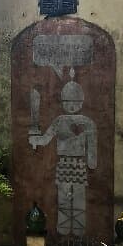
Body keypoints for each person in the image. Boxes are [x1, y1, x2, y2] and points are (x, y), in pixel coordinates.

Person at [29, 74, 97, 237]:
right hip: (65, 164)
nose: (72, 106)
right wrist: (35, 138)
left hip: (78, 164)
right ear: (63, 102)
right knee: (64, 197)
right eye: (68, 102)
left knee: (78, 196)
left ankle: (78, 227)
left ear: (81, 102)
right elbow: (45, 139)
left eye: (75, 102)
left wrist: (91, 160)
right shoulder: (60, 121)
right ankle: (65, 226)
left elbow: (92, 145)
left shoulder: (87, 123)